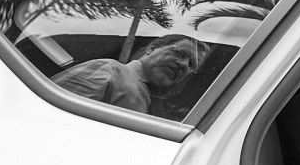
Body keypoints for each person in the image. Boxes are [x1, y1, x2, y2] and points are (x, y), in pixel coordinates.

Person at [52, 35, 206, 114]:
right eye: (179, 52)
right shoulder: (109, 69)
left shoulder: (157, 104)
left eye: (191, 65)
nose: (184, 64)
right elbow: (58, 116)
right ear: (151, 49)